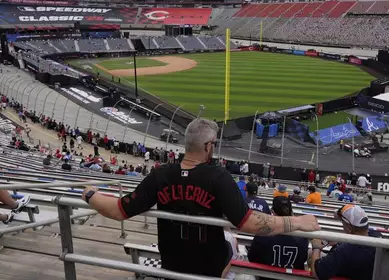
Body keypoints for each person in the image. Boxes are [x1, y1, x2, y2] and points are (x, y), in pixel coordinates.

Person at [82, 118, 319, 277]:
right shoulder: (218, 176)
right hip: (210, 268)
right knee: (231, 244)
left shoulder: (160, 174)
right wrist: (295, 222)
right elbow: (247, 222)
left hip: (172, 265)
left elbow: (116, 210)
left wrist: (90, 194)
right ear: (208, 146)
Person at [310, 205, 382, 280]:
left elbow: (316, 273)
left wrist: (316, 247)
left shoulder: (344, 251)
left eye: (343, 223)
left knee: (310, 254)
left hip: (340, 271)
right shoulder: (377, 236)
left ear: (349, 228)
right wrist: (340, 240)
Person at [248, 197, 309, 277]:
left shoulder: (262, 233)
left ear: (273, 212)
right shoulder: (302, 236)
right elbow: (303, 259)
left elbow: (252, 258)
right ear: (291, 212)